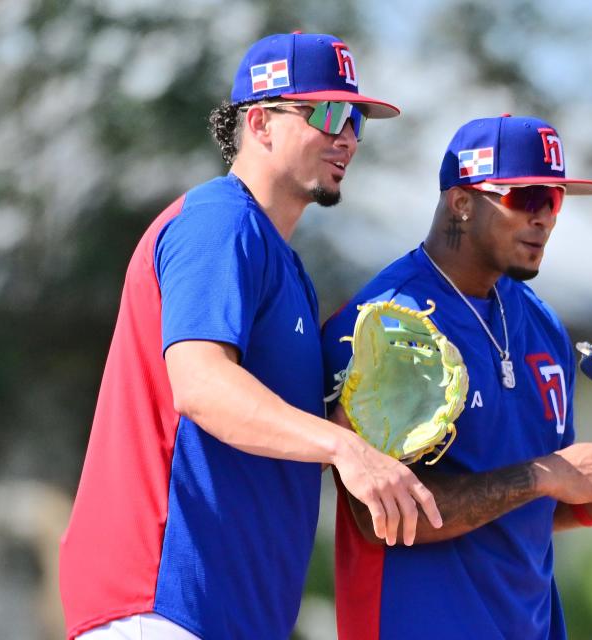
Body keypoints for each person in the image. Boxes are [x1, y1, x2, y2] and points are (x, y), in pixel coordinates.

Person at [59, 32, 441, 640]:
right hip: (163, 598)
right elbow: (201, 384)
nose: (347, 136)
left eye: (357, 120)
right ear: (260, 122)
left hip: (231, 610)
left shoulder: (288, 269)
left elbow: (278, 441)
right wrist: (346, 450)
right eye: (327, 112)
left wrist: (359, 426)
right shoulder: (220, 221)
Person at [322, 115, 592, 640]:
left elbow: (533, 510)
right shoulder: (386, 323)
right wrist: (544, 473)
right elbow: (380, 516)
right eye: (526, 197)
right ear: (462, 202)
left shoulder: (540, 322)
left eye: (555, 200)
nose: (544, 218)